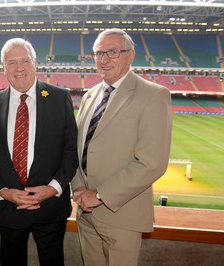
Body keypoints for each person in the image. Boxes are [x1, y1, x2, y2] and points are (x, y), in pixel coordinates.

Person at [71, 28, 172, 266]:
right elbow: (77, 149)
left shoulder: (153, 95)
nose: (104, 59)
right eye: (98, 53)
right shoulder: (90, 95)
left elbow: (152, 163)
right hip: (85, 214)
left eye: (113, 52)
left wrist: (99, 195)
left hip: (121, 216)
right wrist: (78, 189)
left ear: (131, 54)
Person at [0, 38, 78, 266]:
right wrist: (3, 191)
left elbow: (71, 150)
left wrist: (52, 188)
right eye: (12, 62)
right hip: (9, 209)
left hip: (50, 207)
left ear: (35, 62)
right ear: (3, 68)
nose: (19, 68)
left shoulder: (59, 97)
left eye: (25, 60)